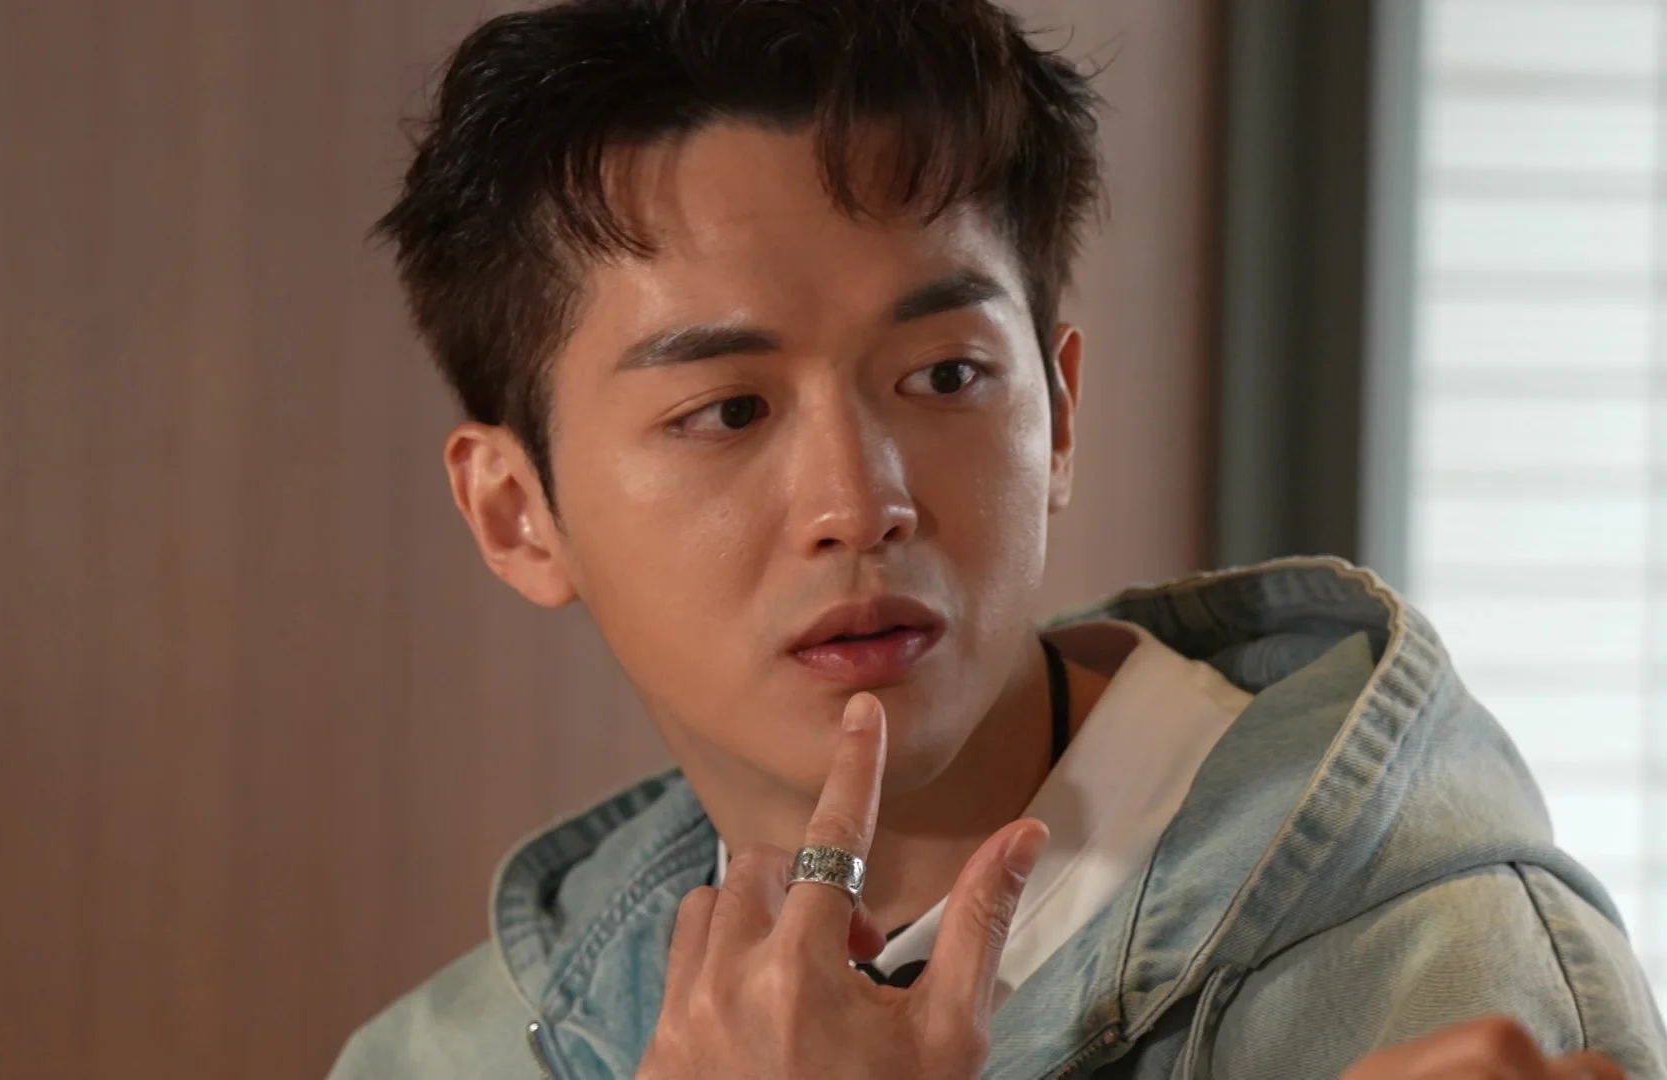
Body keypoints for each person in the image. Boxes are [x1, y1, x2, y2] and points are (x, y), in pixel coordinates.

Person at [330, 1, 1666, 1076]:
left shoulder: (1440, 978)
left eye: (946, 376)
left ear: (1060, 414)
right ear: (517, 514)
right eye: (728, 410)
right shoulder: (446, 1055)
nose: (860, 503)